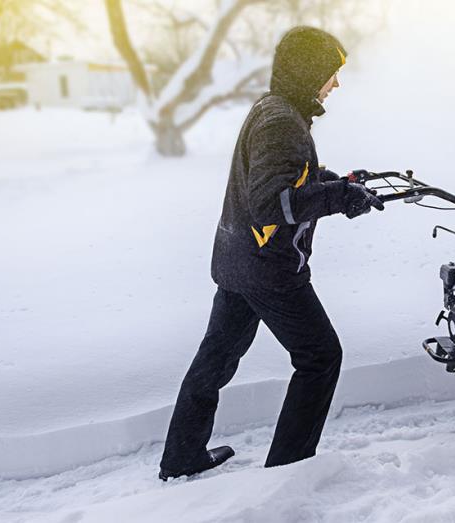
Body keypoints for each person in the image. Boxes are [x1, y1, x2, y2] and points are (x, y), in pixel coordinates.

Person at [159, 26, 383, 481]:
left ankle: (182, 456)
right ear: (308, 73)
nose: (334, 84)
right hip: (269, 268)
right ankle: (289, 472)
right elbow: (270, 203)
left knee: (216, 360)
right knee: (321, 357)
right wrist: (338, 198)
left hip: (237, 260)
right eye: (329, 74)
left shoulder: (274, 109)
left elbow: (287, 177)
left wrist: (337, 181)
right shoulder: (282, 122)